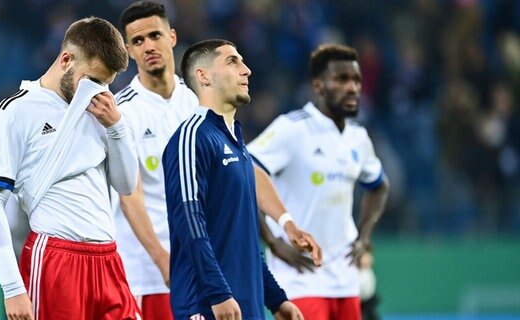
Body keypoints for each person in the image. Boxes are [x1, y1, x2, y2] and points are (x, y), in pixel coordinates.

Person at [112, 2, 321, 319]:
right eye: (138, 42)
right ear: (128, 50)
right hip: (150, 272)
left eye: (154, 35)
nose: (148, 46)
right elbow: (130, 194)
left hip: (212, 266)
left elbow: (244, 176)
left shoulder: (202, 104)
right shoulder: (124, 112)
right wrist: (161, 258)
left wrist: (285, 223)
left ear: (171, 36)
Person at [0, 17, 141, 320]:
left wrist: (117, 128)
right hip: (55, 260)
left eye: (106, 82)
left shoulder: (103, 110)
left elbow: (126, 185)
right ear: (66, 59)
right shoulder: (15, 112)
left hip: (108, 260)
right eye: (92, 79)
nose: (100, 89)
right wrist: (12, 287)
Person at [163, 38, 304, 320]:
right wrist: (217, 293)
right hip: (208, 306)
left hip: (243, 306)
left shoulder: (237, 144)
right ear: (203, 76)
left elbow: (243, 238)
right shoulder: (192, 138)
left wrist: (276, 299)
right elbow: (189, 222)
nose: (246, 70)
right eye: (232, 61)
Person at [248, 43, 390, 320]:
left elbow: (379, 186)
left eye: (356, 80)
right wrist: (272, 243)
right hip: (300, 276)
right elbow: (244, 173)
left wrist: (364, 236)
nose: (352, 87)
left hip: (345, 277)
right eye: (341, 79)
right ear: (318, 85)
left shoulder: (358, 138)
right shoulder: (292, 128)